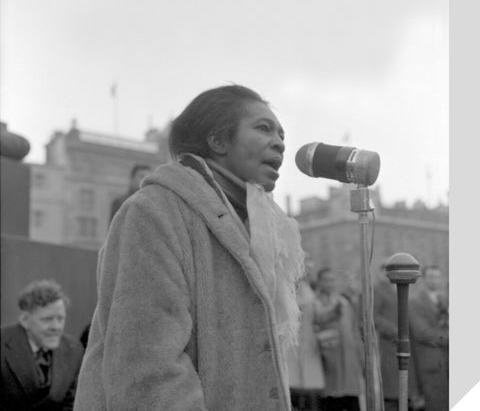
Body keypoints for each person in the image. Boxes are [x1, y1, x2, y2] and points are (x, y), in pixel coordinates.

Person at [73, 85, 305, 411]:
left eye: (281, 133)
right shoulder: (154, 211)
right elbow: (147, 369)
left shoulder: (259, 229)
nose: (280, 142)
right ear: (217, 140)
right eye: (263, 128)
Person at [1, 280, 84, 411]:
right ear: (24, 320)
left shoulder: (74, 349)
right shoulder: (3, 344)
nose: (56, 327)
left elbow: (71, 404)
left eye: (60, 318)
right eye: (47, 319)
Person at [313, 268, 364, 411]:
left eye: (333, 280)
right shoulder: (314, 303)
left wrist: (360, 357)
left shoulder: (344, 302)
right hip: (328, 362)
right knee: (332, 400)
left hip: (349, 360)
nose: (330, 283)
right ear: (319, 282)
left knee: (351, 400)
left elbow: (354, 331)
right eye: (326, 280)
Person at [373, 263, 422, 411]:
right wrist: (393, 330)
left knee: (407, 386)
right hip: (390, 343)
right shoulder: (378, 290)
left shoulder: (404, 287)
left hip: (409, 341)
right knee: (392, 388)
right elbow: (373, 317)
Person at [288, 257, 326, 411]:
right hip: (292, 338)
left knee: (310, 380)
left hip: (308, 338)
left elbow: (319, 315)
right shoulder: (288, 289)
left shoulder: (309, 290)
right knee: (293, 377)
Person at [409, 265, 448, 411]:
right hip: (430, 363)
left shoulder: (447, 299)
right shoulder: (415, 302)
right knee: (436, 404)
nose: (435, 281)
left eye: (437, 277)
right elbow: (422, 332)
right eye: (431, 277)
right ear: (424, 279)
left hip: (448, 362)